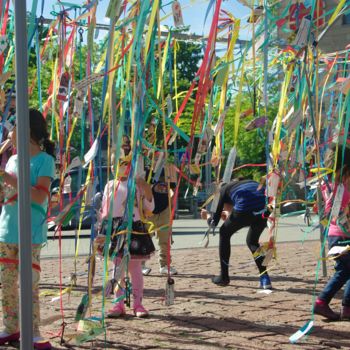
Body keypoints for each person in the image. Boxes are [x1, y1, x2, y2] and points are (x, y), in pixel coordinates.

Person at [0, 109, 55, 349]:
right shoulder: (12, 159)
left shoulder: (45, 161)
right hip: (6, 230)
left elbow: (40, 197)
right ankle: (11, 327)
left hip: (30, 232)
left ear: (27, 130)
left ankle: (32, 331)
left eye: (14, 126)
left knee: (30, 284)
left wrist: (9, 179)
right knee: (7, 284)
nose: (10, 132)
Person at [97, 146, 155, 318]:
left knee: (135, 268)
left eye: (125, 162)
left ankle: (138, 304)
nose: (121, 166)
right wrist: (101, 229)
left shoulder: (136, 184)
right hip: (115, 231)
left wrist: (146, 188)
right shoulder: (110, 185)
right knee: (117, 269)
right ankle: (118, 304)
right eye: (116, 163)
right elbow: (106, 210)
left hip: (133, 229)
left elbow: (149, 207)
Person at [202, 177, 272, 288]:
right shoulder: (249, 182)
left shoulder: (222, 190)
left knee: (224, 233)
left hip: (245, 206)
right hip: (266, 206)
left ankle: (224, 277)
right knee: (252, 241)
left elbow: (213, 223)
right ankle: (265, 279)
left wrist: (208, 216)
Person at [313, 148, 350, 321]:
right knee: (343, 271)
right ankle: (322, 301)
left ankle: (347, 306)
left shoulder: (327, 185)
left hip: (337, 234)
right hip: (342, 236)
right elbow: (335, 211)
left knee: (347, 270)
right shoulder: (341, 188)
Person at [142, 168, 177, 276]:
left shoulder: (169, 169)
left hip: (164, 210)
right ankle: (140, 264)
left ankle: (165, 265)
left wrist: (171, 210)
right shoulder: (145, 169)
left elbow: (172, 190)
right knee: (144, 239)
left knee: (165, 240)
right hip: (148, 211)